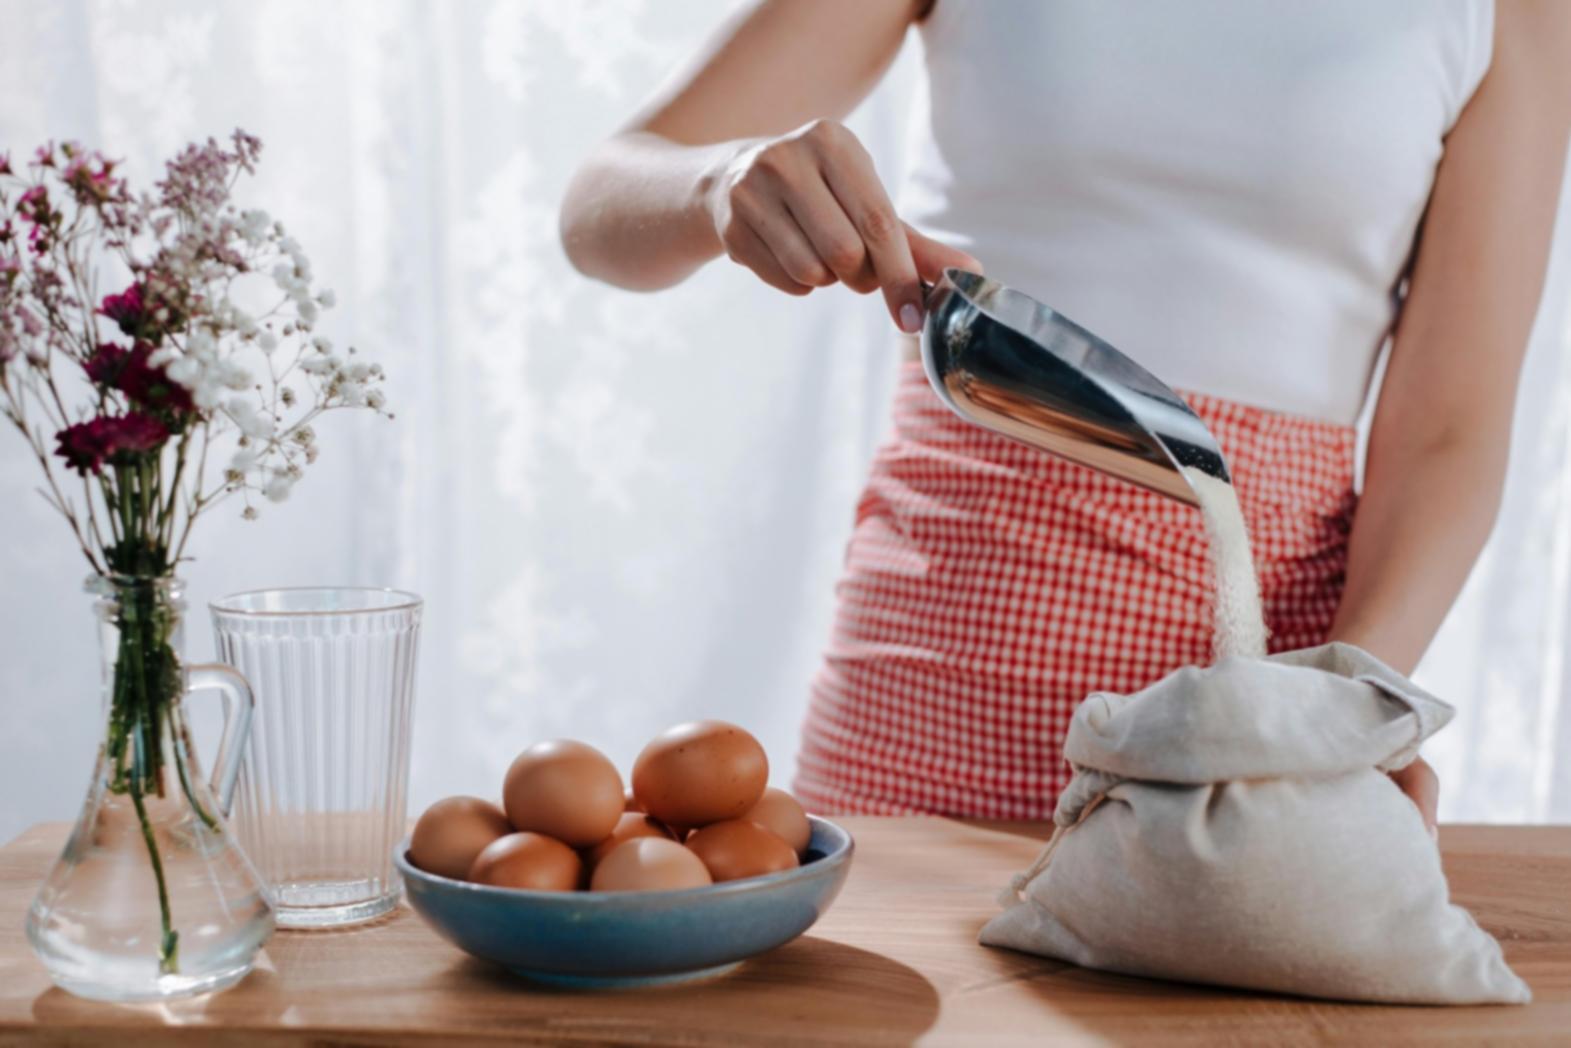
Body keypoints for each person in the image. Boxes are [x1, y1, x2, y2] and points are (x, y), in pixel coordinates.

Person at [560, 1, 1571, 829]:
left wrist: (1340, 708)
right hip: (926, 676)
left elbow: (1448, 430)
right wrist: (718, 182)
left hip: (1248, 719)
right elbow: (598, 206)